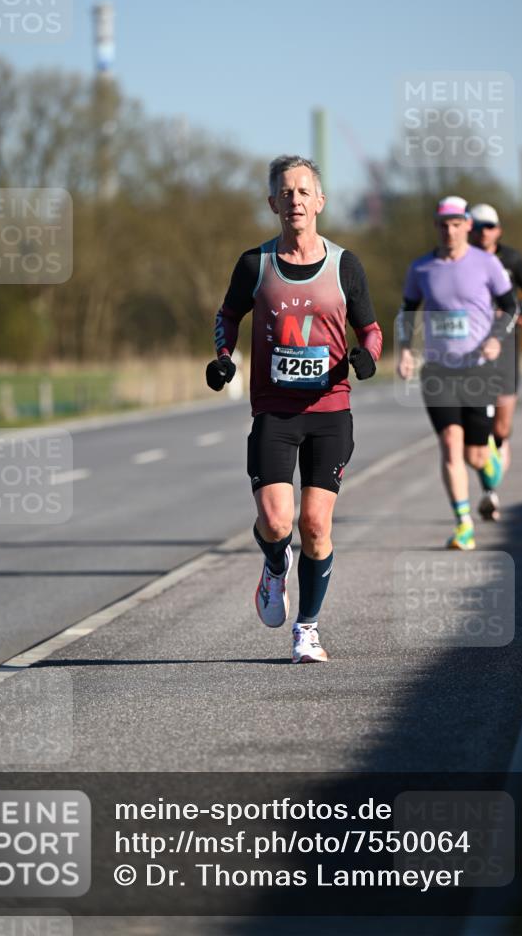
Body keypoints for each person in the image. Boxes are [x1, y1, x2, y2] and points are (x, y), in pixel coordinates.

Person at [206, 155, 382, 663]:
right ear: (272, 204)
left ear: (320, 202)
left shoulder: (344, 264)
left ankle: (307, 628)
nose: (295, 200)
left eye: (304, 192)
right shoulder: (253, 264)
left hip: (330, 410)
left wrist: (367, 359)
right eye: (285, 193)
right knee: (277, 522)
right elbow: (227, 315)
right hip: (275, 412)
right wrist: (223, 359)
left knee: (315, 526)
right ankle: (274, 565)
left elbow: (369, 329)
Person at [396, 196, 518, 550]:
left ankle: (489, 457)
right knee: (450, 443)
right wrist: (405, 350)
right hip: (438, 371)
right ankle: (464, 524)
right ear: (436, 227)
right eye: (443, 225)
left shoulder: (487, 263)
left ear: (467, 225)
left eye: (455, 224)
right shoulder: (421, 268)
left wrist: (496, 338)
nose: (449, 231)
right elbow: (407, 311)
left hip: (478, 369)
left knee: (475, 456)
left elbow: (511, 306)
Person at [469, 202, 522, 520]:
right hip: (470, 352)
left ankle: (491, 482)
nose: (483, 231)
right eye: (477, 225)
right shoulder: (461, 258)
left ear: (498, 230)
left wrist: (516, 312)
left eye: (489, 226)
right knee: (476, 428)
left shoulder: (511, 259)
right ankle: (489, 492)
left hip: (506, 346)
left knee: (502, 426)